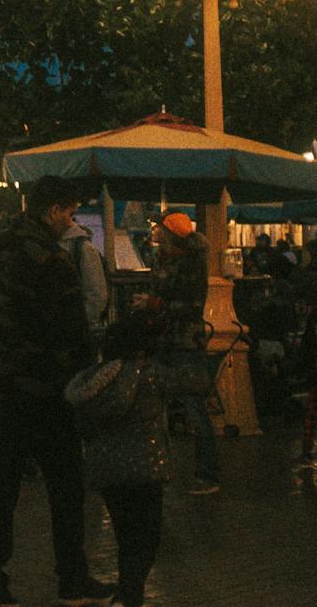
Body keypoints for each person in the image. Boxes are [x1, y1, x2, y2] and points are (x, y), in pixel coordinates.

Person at [0, 176, 111, 607]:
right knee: (65, 488)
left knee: (0, 489)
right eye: (69, 213)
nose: (71, 221)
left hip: (1, 389)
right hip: (48, 393)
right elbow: (73, 332)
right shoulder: (52, 260)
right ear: (52, 212)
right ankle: (72, 578)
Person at [64, 315, 212, 607]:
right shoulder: (150, 375)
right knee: (146, 539)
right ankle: (130, 596)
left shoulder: (93, 380)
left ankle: (126, 593)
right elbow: (199, 383)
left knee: (126, 536)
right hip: (146, 468)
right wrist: (198, 353)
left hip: (107, 472)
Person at [131, 210, 220, 495]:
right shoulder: (161, 259)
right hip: (161, 340)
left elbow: (193, 306)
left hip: (185, 343)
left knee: (195, 408)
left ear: (169, 232)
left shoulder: (192, 264)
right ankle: (156, 467)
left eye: (158, 227)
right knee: (153, 405)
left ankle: (208, 473)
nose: (153, 231)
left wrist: (155, 305)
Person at [62, 217, 111, 342]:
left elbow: (96, 292)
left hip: (74, 329)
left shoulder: (83, 247)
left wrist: (86, 323)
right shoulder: (80, 246)